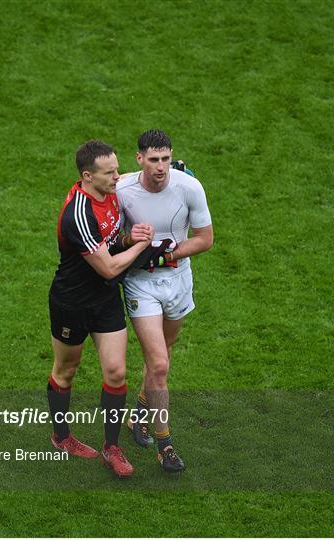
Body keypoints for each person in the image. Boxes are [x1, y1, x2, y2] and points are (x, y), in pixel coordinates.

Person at [47, 140, 154, 478]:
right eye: (109, 173)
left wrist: (127, 238)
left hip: (105, 299)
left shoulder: (109, 193)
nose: (117, 177)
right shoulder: (77, 214)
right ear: (87, 176)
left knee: (116, 372)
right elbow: (108, 268)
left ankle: (112, 446)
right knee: (66, 370)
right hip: (71, 303)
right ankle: (61, 437)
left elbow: (111, 241)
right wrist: (140, 246)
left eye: (117, 168)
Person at [116, 129, 213, 472]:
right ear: (139, 158)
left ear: (173, 158)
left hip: (178, 280)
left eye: (166, 160)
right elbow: (110, 230)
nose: (161, 167)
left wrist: (166, 256)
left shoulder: (189, 187)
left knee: (164, 357)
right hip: (141, 285)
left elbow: (205, 239)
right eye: (153, 160)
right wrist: (130, 241)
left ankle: (138, 413)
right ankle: (165, 444)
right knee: (158, 365)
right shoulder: (123, 190)